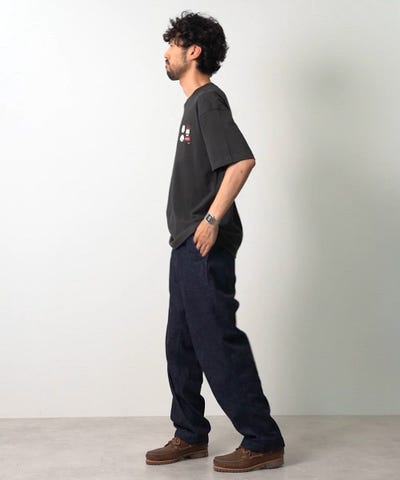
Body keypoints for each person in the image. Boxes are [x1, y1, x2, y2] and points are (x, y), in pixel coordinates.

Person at [145, 11, 285, 473]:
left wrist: (211, 219)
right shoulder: (194, 105)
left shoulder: (208, 101)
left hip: (202, 241)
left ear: (194, 51)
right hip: (185, 241)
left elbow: (242, 161)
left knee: (216, 341)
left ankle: (263, 440)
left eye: (173, 43)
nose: (165, 52)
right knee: (181, 343)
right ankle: (189, 433)